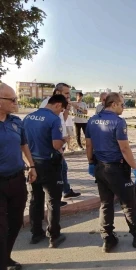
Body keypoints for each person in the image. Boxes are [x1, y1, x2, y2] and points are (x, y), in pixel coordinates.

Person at [85, 93, 136, 253]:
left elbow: (88, 145)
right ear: (114, 104)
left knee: (106, 203)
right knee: (129, 203)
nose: (124, 108)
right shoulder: (118, 122)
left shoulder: (92, 120)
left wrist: (90, 163)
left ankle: (108, 239)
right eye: (122, 105)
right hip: (115, 169)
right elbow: (124, 148)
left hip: (99, 167)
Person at [23, 94, 69, 249]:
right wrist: (65, 139)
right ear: (57, 105)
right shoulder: (53, 119)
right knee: (53, 201)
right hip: (48, 164)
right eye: (61, 110)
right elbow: (56, 145)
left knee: (35, 199)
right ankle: (54, 236)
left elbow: (22, 142)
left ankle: (36, 234)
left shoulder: (28, 117)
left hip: (31, 164)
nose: (61, 113)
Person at [0, 83, 37, 270]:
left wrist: (31, 165)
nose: (16, 102)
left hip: (16, 180)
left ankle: (6, 257)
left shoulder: (16, 122)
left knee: (15, 222)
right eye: (12, 99)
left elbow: (24, 145)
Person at [40, 84, 81, 202]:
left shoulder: (61, 104)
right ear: (58, 92)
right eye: (66, 93)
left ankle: (63, 192)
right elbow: (45, 123)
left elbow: (63, 118)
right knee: (59, 168)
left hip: (59, 138)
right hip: (52, 142)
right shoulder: (47, 102)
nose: (69, 96)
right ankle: (56, 197)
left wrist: (67, 107)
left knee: (61, 168)